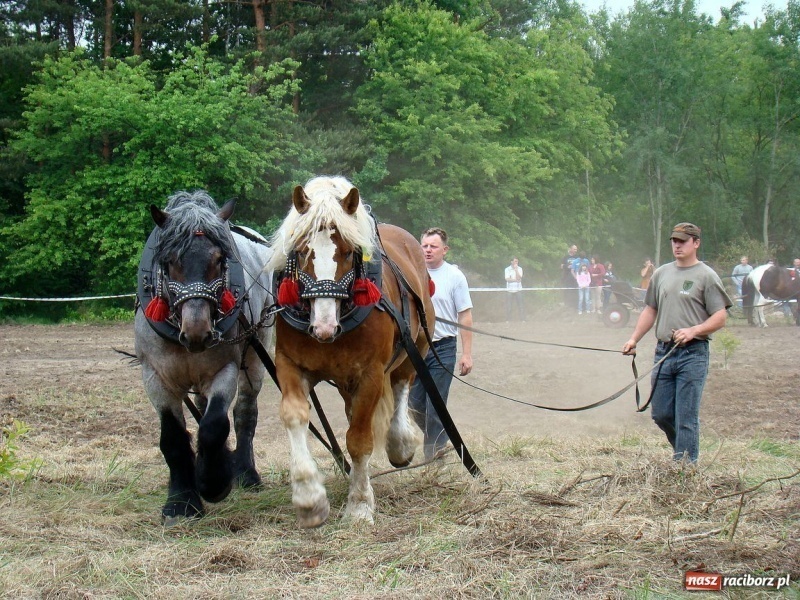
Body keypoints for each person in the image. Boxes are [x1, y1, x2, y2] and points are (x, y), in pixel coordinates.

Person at [622, 223, 731, 464]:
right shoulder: (661, 273)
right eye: (674, 240)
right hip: (664, 352)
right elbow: (651, 309)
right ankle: (682, 453)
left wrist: (694, 330)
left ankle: (686, 467)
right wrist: (634, 339)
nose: (678, 245)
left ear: (696, 243)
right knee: (661, 414)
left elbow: (720, 316)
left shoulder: (706, 276)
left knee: (686, 416)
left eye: (683, 240)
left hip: (693, 354)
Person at [409, 227, 474, 459]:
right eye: (424, 246)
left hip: (443, 348)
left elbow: (464, 315)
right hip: (415, 348)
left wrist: (467, 354)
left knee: (435, 404)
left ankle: (432, 458)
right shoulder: (411, 273)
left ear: (444, 250)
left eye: (433, 246)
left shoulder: (455, 276)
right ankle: (440, 439)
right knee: (413, 404)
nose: (427, 250)